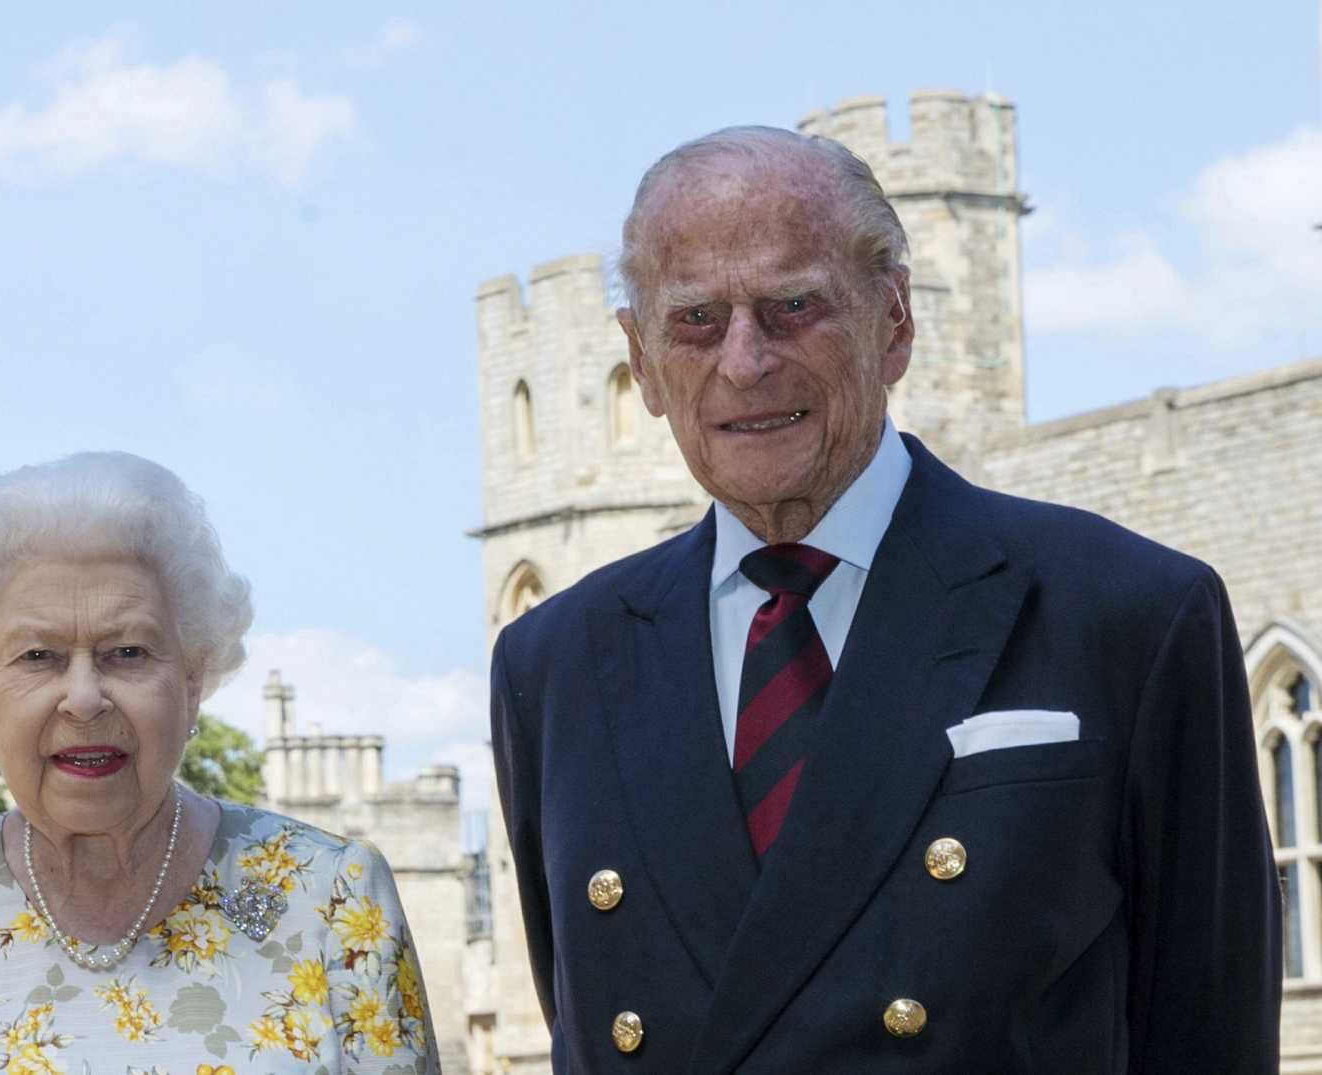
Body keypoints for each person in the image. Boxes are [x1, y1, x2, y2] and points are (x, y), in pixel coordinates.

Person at [489, 127, 1281, 1073]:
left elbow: (1208, 1031)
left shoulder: (1130, 615)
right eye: (696, 320)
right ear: (642, 362)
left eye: (793, 305)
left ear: (895, 322)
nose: (745, 361)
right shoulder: (555, 663)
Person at [0, 452, 435, 1073]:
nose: (84, 698)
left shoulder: (333, 896)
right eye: (38, 656)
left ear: (191, 682)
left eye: (127, 652)